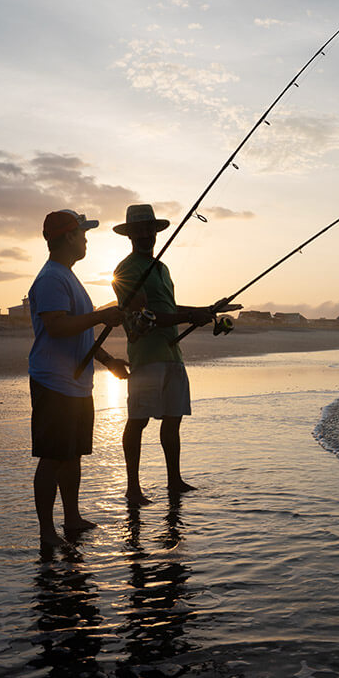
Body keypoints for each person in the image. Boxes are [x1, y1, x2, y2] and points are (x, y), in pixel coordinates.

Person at [112, 204, 240, 504]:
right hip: (146, 355)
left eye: (149, 230)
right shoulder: (126, 270)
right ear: (130, 235)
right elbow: (145, 312)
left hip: (172, 352)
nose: (145, 235)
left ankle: (174, 481)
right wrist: (189, 316)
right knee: (138, 421)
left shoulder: (162, 268)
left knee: (173, 419)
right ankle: (133, 487)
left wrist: (206, 311)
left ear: (155, 233)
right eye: (139, 230)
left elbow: (169, 309)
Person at [29, 209, 129, 547]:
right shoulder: (51, 279)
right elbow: (56, 327)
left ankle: (71, 517)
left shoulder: (68, 277)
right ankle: (47, 532)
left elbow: (81, 334)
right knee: (53, 457)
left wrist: (108, 360)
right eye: (82, 233)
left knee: (72, 456)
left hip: (76, 384)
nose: (86, 239)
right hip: (54, 382)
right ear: (68, 236)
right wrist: (100, 316)